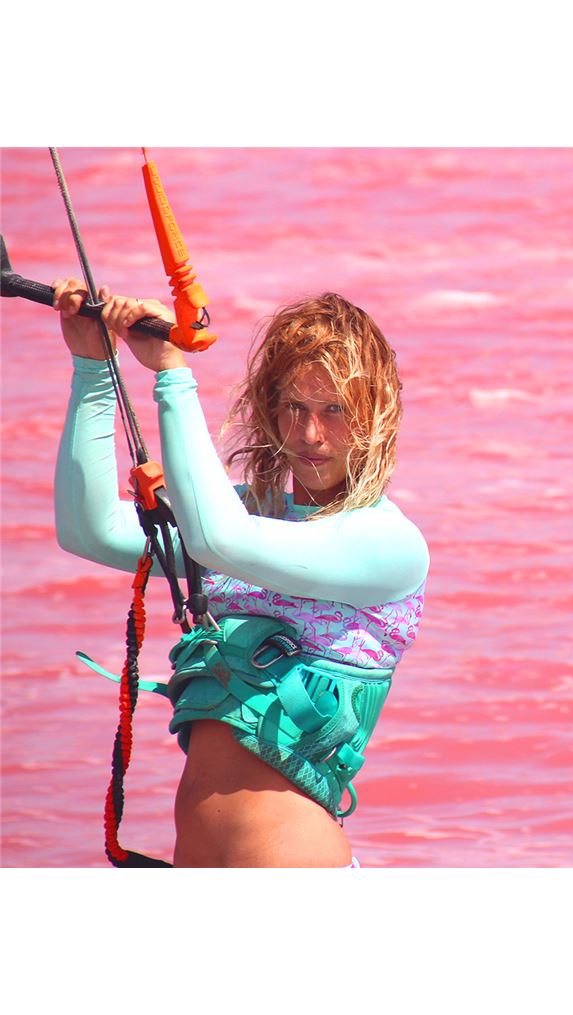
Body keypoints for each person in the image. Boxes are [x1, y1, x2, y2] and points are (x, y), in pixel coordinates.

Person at [52, 279, 428, 867]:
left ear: (377, 414)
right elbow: (91, 530)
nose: (310, 435)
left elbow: (217, 540)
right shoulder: (250, 515)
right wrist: (94, 369)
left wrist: (172, 376)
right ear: (268, 407)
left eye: (335, 411)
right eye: (295, 407)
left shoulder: (387, 544)